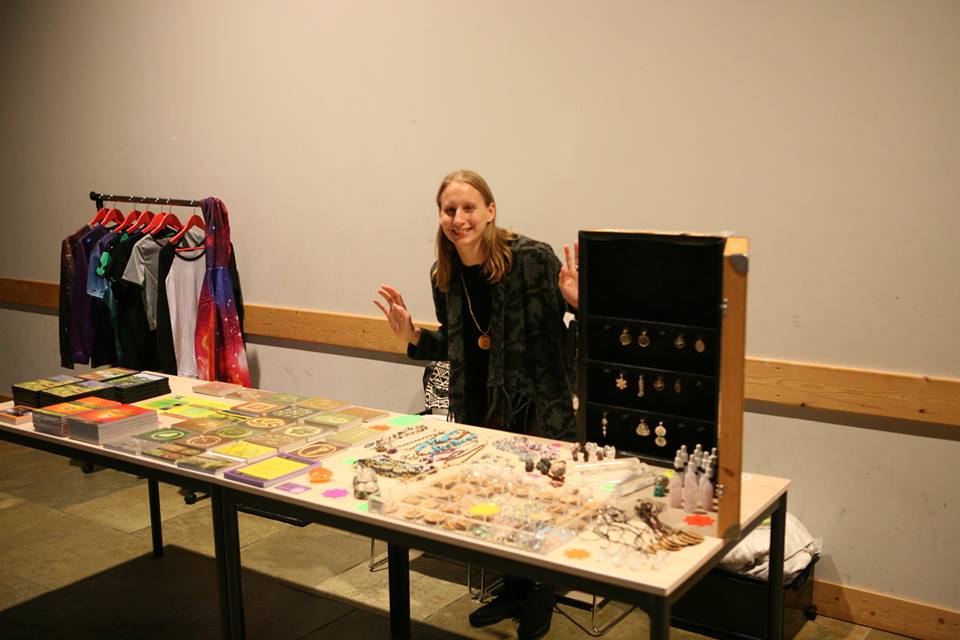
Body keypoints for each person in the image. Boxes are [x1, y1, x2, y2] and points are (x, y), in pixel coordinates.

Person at [375, 169, 579, 640]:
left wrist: (577, 302)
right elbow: (458, 344)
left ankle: (540, 593)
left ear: (490, 211)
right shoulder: (443, 274)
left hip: (536, 402)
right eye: (449, 210)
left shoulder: (532, 258)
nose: (459, 218)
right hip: (480, 406)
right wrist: (413, 335)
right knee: (498, 501)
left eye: (469, 208)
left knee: (539, 502)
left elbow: (572, 325)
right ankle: (513, 588)